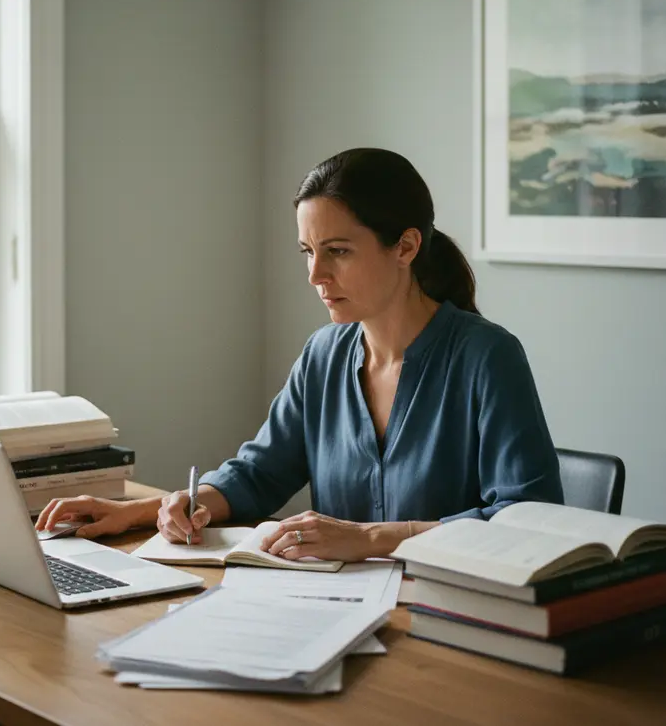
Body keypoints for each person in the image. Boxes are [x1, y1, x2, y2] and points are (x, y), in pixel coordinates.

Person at [36, 148, 564, 562]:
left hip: (449, 625)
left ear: (405, 247)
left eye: (337, 251)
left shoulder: (488, 357)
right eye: (309, 252)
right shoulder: (324, 355)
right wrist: (149, 510)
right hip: (335, 613)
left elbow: (525, 519)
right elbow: (260, 472)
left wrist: (370, 538)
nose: (315, 276)